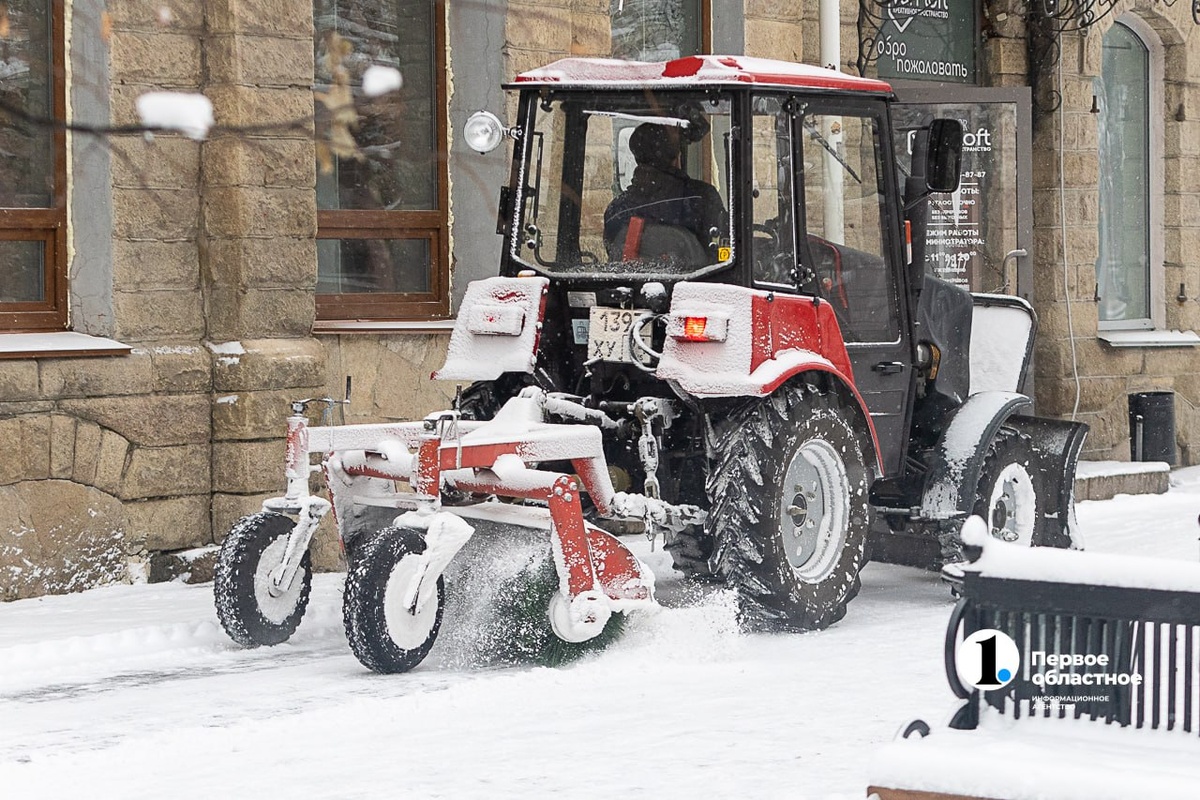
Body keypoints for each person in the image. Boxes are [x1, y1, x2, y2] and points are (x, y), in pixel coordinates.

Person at [603, 123, 727, 261]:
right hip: (699, 282)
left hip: (625, 283)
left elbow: (614, 254)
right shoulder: (703, 198)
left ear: (636, 156)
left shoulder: (615, 210)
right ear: (677, 156)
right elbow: (722, 251)